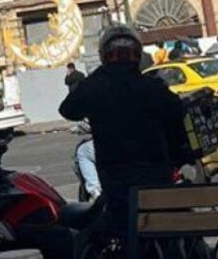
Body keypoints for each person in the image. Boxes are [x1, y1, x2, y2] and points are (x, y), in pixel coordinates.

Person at [59, 25, 186, 235]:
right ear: (138, 55)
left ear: (104, 56)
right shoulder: (152, 87)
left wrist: (99, 77)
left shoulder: (97, 86)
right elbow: (178, 111)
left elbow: (68, 109)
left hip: (116, 184)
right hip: (156, 179)